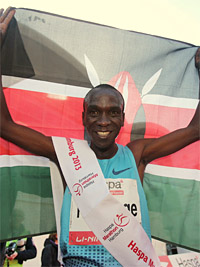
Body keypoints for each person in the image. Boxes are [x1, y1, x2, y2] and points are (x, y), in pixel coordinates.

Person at [0, 7, 199, 267]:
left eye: (112, 113)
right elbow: (4, 126)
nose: (103, 121)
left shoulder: (136, 154)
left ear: (123, 118)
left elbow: (195, 130)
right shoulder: (67, 154)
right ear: (84, 118)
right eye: (94, 112)